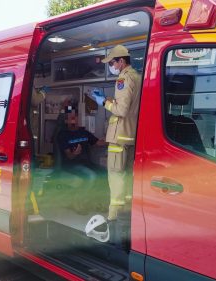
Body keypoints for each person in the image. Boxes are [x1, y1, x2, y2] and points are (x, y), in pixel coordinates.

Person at [91, 45, 141, 246]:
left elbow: (120, 110)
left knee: (116, 185)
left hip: (118, 139)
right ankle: (126, 227)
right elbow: (131, 108)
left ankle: (113, 229)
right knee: (127, 184)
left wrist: (104, 102)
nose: (111, 66)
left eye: (112, 62)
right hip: (130, 138)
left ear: (121, 61)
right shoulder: (137, 77)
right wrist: (110, 99)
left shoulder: (123, 78)